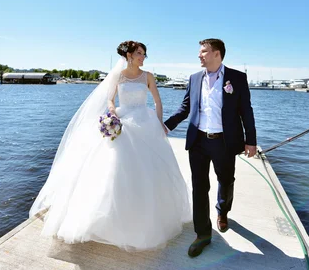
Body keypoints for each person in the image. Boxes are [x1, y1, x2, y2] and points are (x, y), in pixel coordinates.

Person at [30, 40, 191, 251]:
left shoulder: (148, 76)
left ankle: (144, 217)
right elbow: (110, 100)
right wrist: (112, 112)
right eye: (140, 53)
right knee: (115, 166)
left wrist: (159, 123)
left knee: (148, 169)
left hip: (144, 121)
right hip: (123, 121)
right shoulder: (118, 75)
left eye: (144, 54)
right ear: (129, 55)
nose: (143, 57)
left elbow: (158, 102)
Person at [164, 38, 257, 258]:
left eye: (204, 51)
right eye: (200, 51)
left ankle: (222, 212)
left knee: (225, 180)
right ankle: (202, 234)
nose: (199, 55)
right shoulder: (195, 78)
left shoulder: (237, 78)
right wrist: (166, 125)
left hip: (224, 142)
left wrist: (250, 140)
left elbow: (246, 111)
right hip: (198, 141)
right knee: (199, 187)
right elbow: (185, 107)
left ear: (217, 54)